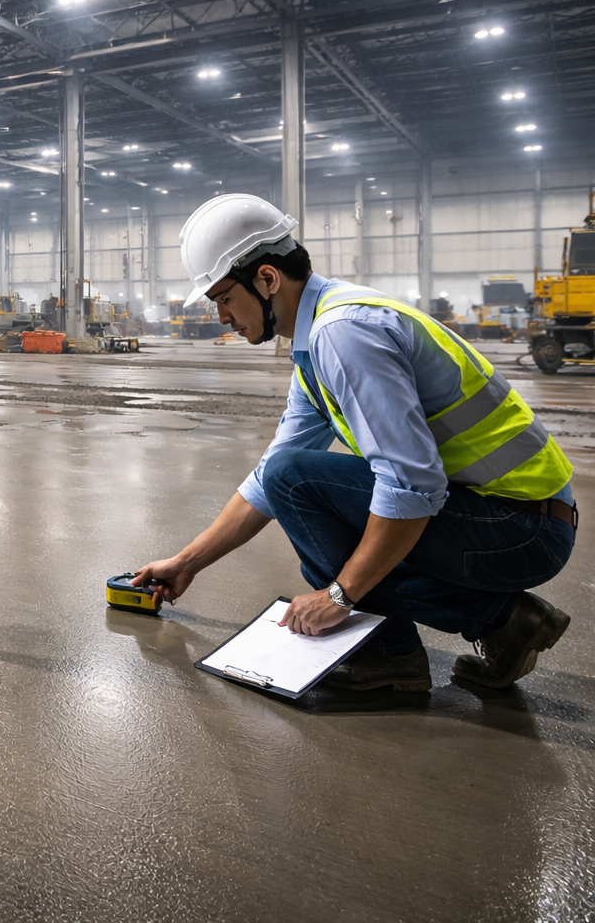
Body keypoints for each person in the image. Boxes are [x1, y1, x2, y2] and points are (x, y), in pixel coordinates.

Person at [135, 194, 575, 691]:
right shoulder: (318, 338)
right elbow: (269, 477)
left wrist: (340, 597)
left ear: (266, 279)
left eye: (223, 298)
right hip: (509, 517)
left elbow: (409, 485)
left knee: (307, 501)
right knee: (300, 502)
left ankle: (392, 658)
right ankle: (504, 621)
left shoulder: (344, 333)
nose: (222, 317)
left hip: (522, 530)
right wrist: (186, 562)